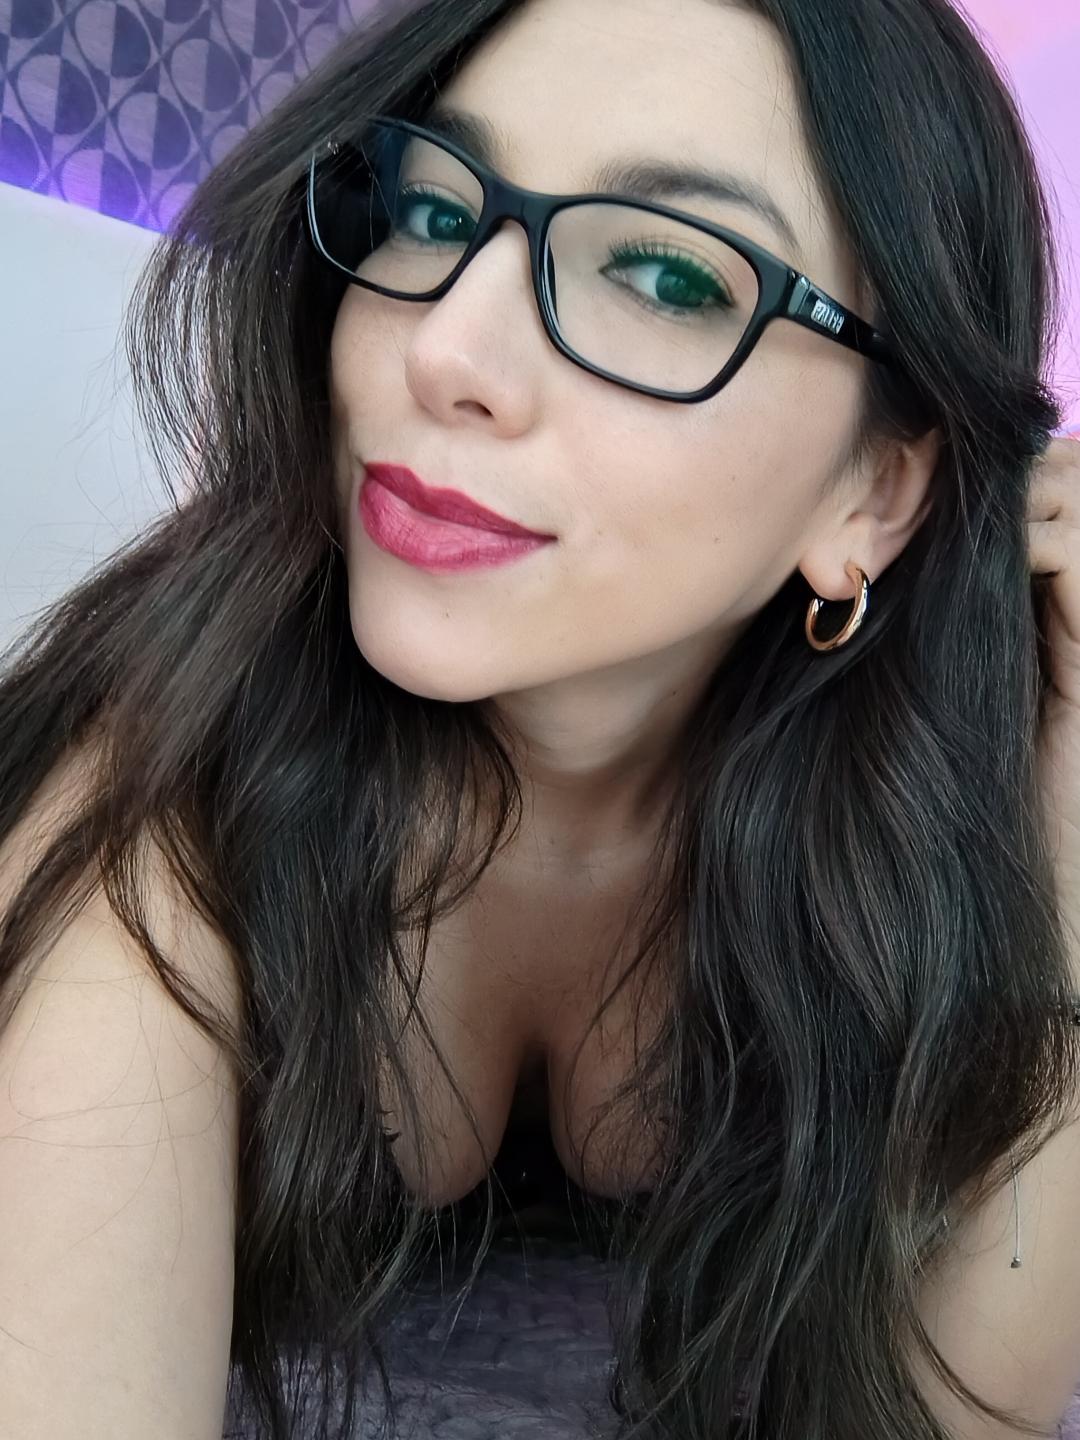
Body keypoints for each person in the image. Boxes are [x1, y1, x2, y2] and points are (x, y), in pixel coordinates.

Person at [1, 0, 1078, 1435]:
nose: (446, 349)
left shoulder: (896, 814)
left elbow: (954, 1410)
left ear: (874, 493)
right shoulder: (161, 812)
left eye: (665, 275)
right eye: (433, 211)